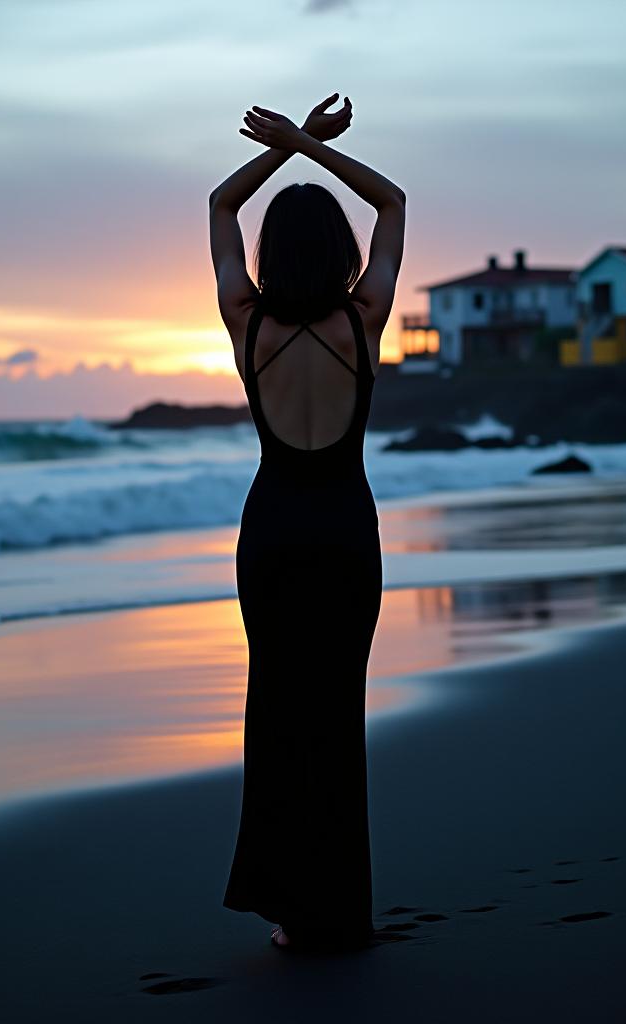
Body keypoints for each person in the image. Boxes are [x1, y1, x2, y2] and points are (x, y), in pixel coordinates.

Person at [209, 93, 405, 952]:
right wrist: (310, 149)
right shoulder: (364, 321)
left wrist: (284, 148)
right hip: (345, 529)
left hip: (274, 529)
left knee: (279, 711)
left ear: (269, 253)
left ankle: (290, 908)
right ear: (341, 251)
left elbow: (220, 206)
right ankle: (341, 910)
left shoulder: (245, 323)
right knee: (336, 711)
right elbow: (393, 202)